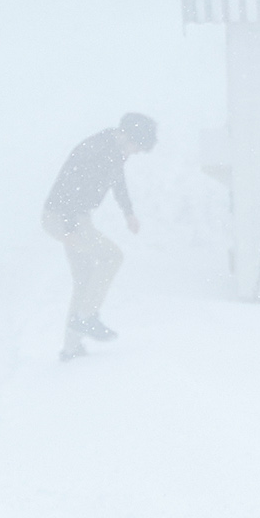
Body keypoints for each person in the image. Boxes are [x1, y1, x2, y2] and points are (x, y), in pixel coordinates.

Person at [41, 112, 156, 362]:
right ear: (126, 136)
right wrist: (69, 229)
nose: (137, 152)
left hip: (74, 215)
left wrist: (128, 212)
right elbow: (70, 186)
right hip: (63, 216)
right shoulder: (95, 150)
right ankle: (86, 317)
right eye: (138, 146)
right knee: (112, 257)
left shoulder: (115, 151)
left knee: (84, 279)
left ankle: (71, 348)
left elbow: (118, 181)